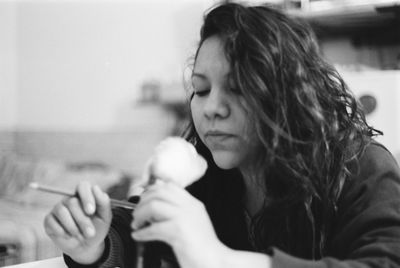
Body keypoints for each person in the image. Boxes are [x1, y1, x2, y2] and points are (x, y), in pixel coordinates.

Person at [43, 2, 400, 268]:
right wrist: (94, 244)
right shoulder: (206, 172)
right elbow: (142, 228)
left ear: (291, 92)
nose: (212, 108)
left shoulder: (359, 166)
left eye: (239, 87)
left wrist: (218, 258)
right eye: (200, 90)